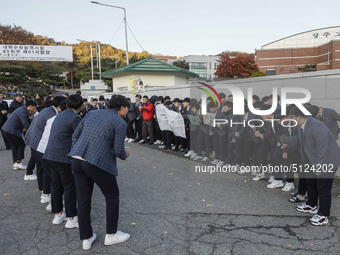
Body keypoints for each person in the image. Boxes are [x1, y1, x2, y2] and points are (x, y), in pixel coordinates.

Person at [69, 95, 130, 250]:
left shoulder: (91, 113)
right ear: (122, 107)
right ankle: (111, 235)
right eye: (127, 107)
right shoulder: (120, 122)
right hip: (96, 162)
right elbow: (118, 151)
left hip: (76, 159)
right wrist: (125, 153)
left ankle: (86, 237)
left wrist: (76, 153)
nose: (127, 110)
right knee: (112, 196)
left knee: (83, 200)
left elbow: (75, 135)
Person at [282, 106, 340, 226]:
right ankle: (311, 205)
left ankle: (324, 215)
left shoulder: (316, 126)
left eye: (293, 118)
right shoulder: (300, 127)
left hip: (327, 161)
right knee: (311, 182)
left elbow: (322, 147)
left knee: (323, 188)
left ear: (300, 117)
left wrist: (318, 166)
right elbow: (298, 140)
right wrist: (284, 139)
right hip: (312, 160)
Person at [43, 95, 83, 228]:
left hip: (50, 155)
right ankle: (72, 217)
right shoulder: (75, 118)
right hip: (63, 158)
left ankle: (58, 214)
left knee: (56, 185)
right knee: (70, 187)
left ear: (66, 105)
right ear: (81, 106)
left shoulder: (60, 115)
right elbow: (80, 137)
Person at [2, 100, 37, 169]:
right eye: (34, 108)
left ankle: (16, 163)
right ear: (30, 106)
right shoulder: (23, 112)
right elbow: (26, 124)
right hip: (11, 131)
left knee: (15, 146)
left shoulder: (23, 109)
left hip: (7, 130)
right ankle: (18, 162)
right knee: (21, 144)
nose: (34, 109)